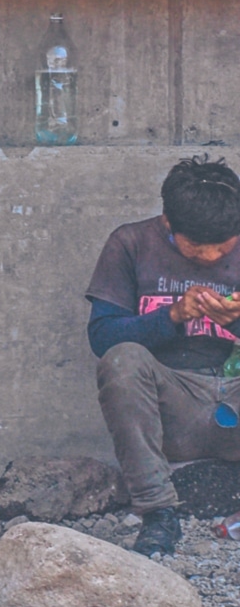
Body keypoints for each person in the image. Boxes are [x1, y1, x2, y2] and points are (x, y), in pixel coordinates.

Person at [87, 155, 240, 556]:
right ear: (169, 223)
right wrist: (171, 316)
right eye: (196, 248)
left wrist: (236, 323)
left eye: (221, 248)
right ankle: (158, 514)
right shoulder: (131, 243)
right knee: (123, 360)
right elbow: (103, 337)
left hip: (234, 399)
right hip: (174, 404)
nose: (209, 257)